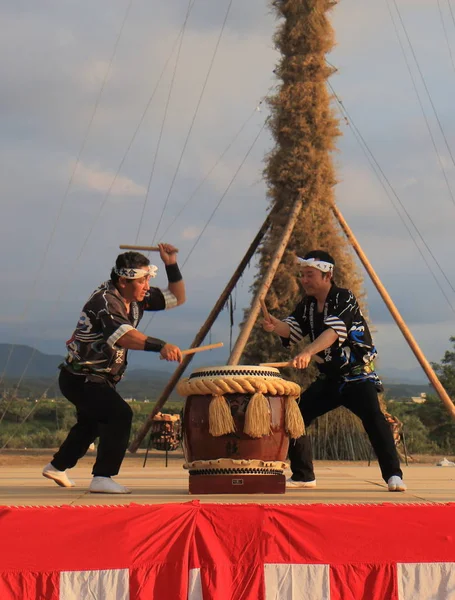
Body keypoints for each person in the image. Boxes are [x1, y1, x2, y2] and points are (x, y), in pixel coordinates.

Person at [42, 244, 185, 494]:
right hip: (81, 378)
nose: (147, 286)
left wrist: (170, 263)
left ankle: (57, 466)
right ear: (123, 281)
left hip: (94, 379)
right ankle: (103, 477)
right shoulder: (105, 302)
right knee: (119, 414)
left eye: (148, 280)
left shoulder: (136, 298)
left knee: (92, 423)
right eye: (143, 281)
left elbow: (177, 297)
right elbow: (123, 337)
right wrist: (160, 346)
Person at [262, 250, 406, 492]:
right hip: (330, 379)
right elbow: (293, 330)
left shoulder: (344, 298)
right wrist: (276, 326)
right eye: (302, 275)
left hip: (357, 376)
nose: (304, 280)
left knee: (374, 420)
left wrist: (307, 352)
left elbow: (333, 333)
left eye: (309, 275)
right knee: (294, 417)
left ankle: (394, 475)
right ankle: (303, 475)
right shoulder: (307, 304)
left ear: (327, 275)